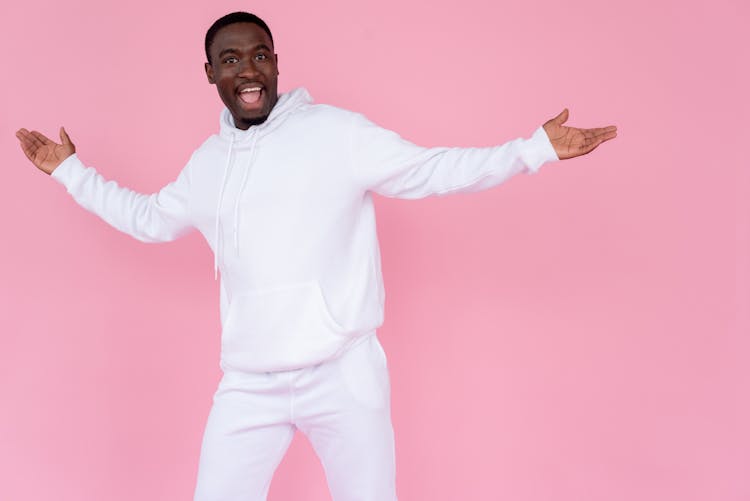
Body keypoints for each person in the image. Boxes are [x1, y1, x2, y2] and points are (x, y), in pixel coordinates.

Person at [15, 11, 617, 501]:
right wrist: (69, 171)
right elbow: (147, 218)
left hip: (343, 371)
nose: (247, 70)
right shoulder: (207, 165)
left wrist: (532, 149)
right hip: (250, 382)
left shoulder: (336, 134)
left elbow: (431, 170)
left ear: (275, 63)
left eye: (259, 55)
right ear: (209, 73)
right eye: (230, 60)